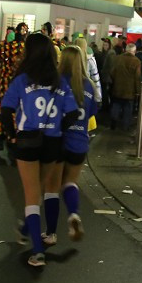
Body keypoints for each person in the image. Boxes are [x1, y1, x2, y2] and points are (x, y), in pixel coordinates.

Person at [0, 32, 79, 267]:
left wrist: (11, 136)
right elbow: (73, 113)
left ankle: (37, 251)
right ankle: (27, 230)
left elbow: (6, 110)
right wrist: (59, 128)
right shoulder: (60, 81)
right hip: (52, 143)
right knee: (41, 190)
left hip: (27, 140)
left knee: (31, 196)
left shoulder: (23, 80)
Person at [57, 45, 98, 242]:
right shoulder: (88, 85)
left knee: (49, 187)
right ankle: (73, 214)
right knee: (70, 182)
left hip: (58, 140)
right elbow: (91, 112)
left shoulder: (57, 82)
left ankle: (39, 229)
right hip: (80, 142)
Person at [0, 22, 27, 153]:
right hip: (19, 85)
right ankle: (13, 139)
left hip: (3, 83)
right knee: (17, 111)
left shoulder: (1, 47)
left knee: (1, 110)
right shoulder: (24, 48)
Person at [110, 42, 142, 131]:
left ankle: (113, 122)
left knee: (116, 105)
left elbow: (112, 72)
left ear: (125, 50)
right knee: (128, 108)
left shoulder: (118, 58)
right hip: (130, 90)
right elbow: (137, 77)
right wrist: (138, 91)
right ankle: (125, 126)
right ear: (134, 51)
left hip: (117, 87)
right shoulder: (136, 61)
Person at [75, 36, 102, 105]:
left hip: (73, 89)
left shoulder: (72, 58)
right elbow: (95, 78)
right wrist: (98, 97)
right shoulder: (90, 59)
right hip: (86, 90)